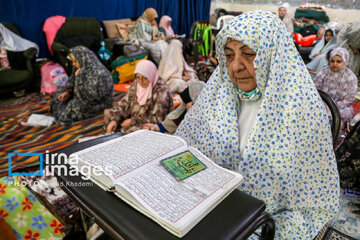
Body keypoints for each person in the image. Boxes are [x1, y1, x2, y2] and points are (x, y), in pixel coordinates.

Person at [175, 10, 339, 239]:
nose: (235, 67)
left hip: (266, 222)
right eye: (229, 55)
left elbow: (313, 199)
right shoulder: (219, 95)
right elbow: (185, 149)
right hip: (206, 209)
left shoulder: (303, 111)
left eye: (249, 54)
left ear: (273, 55)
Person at [104, 60, 173, 134]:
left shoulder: (161, 91)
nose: (141, 81)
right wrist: (115, 120)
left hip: (150, 124)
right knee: (108, 114)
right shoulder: (136, 84)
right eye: (137, 77)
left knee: (134, 131)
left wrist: (133, 121)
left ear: (151, 76)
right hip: (134, 117)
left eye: (145, 78)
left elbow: (157, 119)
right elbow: (124, 103)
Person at [51, 46, 113, 126]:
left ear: (83, 59)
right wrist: (67, 92)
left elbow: (90, 97)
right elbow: (70, 84)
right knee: (58, 96)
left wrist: (79, 78)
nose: (73, 64)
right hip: (81, 98)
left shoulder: (99, 73)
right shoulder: (81, 67)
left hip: (96, 104)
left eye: (75, 61)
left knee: (66, 115)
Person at [313, 47, 358, 132]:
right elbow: (315, 91)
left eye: (339, 61)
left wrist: (331, 108)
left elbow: (348, 100)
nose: (335, 64)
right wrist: (324, 106)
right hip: (321, 105)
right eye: (332, 61)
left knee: (334, 121)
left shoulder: (351, 78)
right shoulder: (323, 72)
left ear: (345, 61)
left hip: (341, 108)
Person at [336, 21, 360, 86]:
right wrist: (354, 46)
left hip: (354, 46)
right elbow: (352, 34)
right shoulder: (358, 29)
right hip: (347, 43)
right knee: (348, 66)